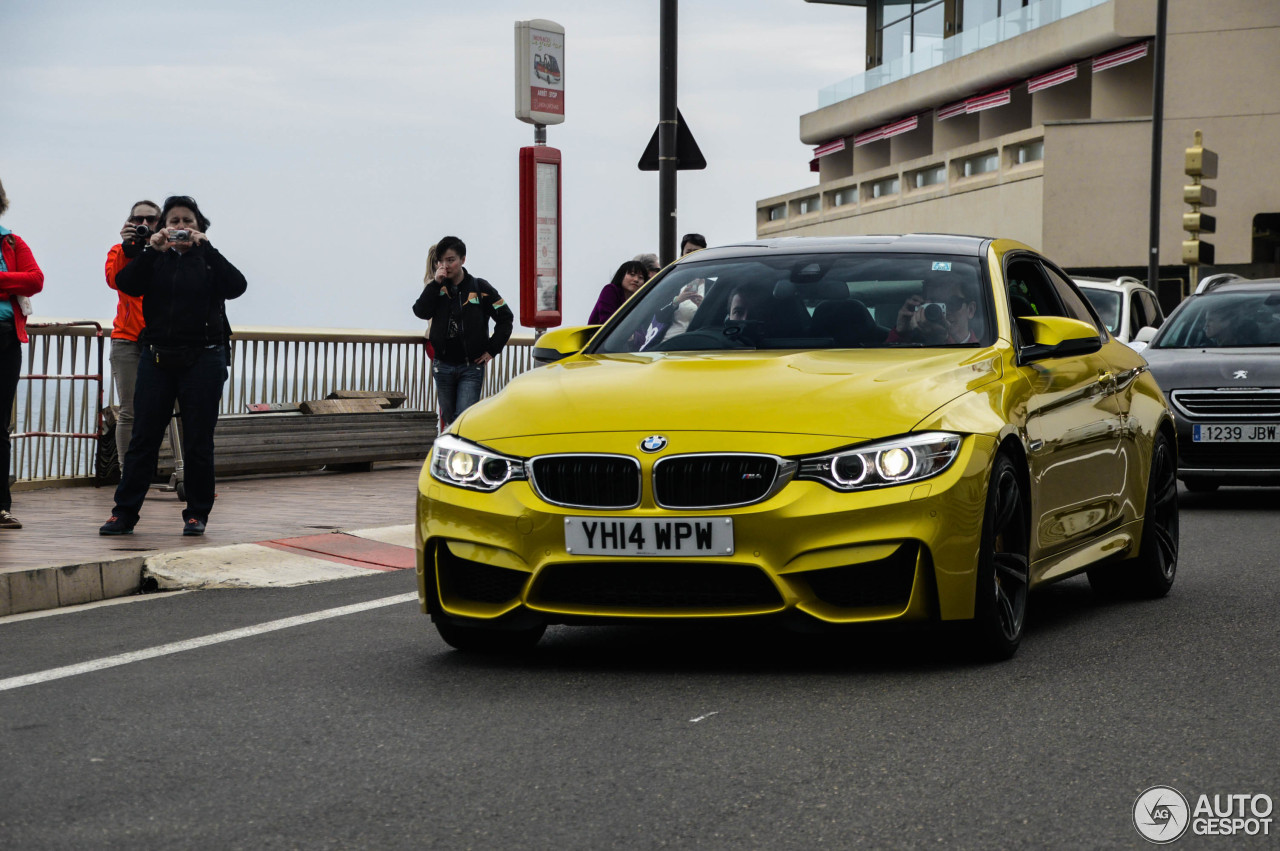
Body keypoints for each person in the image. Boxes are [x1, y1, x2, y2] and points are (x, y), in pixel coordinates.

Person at [99, 195, 247, 537]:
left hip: (204, 358)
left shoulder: (208, 260)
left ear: (200, 227)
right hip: (158, 357)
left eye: (188, 221)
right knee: (143, 439)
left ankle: (197, 513)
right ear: (164, 226)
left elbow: (237, 286)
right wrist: (150, 248)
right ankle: (123, 513)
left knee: (198, 441)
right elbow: (126, 283)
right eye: (174, 221)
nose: (181, 227)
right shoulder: (155, 259)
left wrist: (206, 248)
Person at [412, 235, 513, 431]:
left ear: (462, 260)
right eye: (441, 261)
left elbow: (505, 317)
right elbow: (420, 311)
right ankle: (453, 458)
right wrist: (435, 284)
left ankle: (463, 458)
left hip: (471, 367)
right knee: (449, 418)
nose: (446, 265)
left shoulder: (480, 288)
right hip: (443, 365)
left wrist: (492, 350)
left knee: (464, 418)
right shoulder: (436, 289)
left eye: (451, 260)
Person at [0, 178, 45, 530]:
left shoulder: (11, 241)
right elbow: (23, 280)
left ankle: (1, 506)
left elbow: (34, 280)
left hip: (5, 338)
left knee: (0, 424)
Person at [105, 199, 162, 473]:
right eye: (137, 220)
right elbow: (115, 281)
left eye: (150, 220)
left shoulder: (169, 253)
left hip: (163, 340)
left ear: (160, 224)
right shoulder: (119, 251)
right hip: (127, 339)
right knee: (129, 411)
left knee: (178, 412)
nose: (143, 225)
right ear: (128, 224)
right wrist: (129, 249)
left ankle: (188, 472)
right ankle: (129, 472)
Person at [888, 270, 981, 344]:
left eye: (952, 303)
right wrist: (900, 334)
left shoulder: (986, 349)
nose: (942, 311)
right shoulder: (914, 344)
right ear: (923, 306)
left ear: (970, 310)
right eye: (935, 304)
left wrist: (942, 341)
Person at [588, 259, 647, 325]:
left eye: (641, 277)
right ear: (621, 275)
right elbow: (607, 321)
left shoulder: (641, 300)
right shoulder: (610, 290)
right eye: (632, 275)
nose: (636, 280)